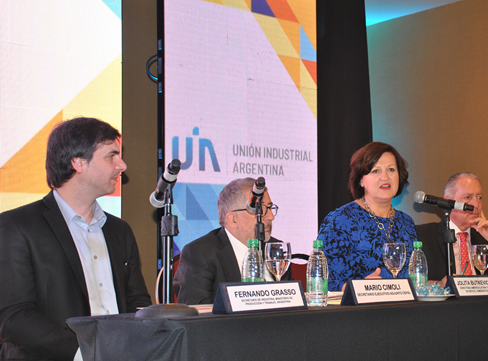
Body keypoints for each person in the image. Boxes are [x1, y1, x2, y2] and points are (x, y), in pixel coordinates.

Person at [0, 117, 152, 361]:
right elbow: (13, 316)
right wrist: (84, 353)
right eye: (111, 156)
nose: (122, 165)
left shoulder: (120, 230)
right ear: (78, 162)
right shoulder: (17, 226)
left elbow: (137, 303)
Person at [318, 142, 417, 292]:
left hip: (404, 309)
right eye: (376, 171)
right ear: (361, 180)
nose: (385, 177)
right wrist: (362, 289)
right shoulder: (339, 220)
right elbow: (321, 281)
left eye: (391, 169)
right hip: (358, 312)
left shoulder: (406, 223)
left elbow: (413, 278)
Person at [173, 177, 290, 304]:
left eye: (270, 207)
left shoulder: (274, 248)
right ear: (233, 219)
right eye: (260, 210)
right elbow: (195, 312)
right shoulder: (200, 253)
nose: (271, 217)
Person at [416, 172, 488, 284]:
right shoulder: (422, 236)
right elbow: (412, 283)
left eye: (480, 197)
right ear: (447, 202)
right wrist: (439, 285)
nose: (476, 204)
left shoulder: (484, 239)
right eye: (467, 197)